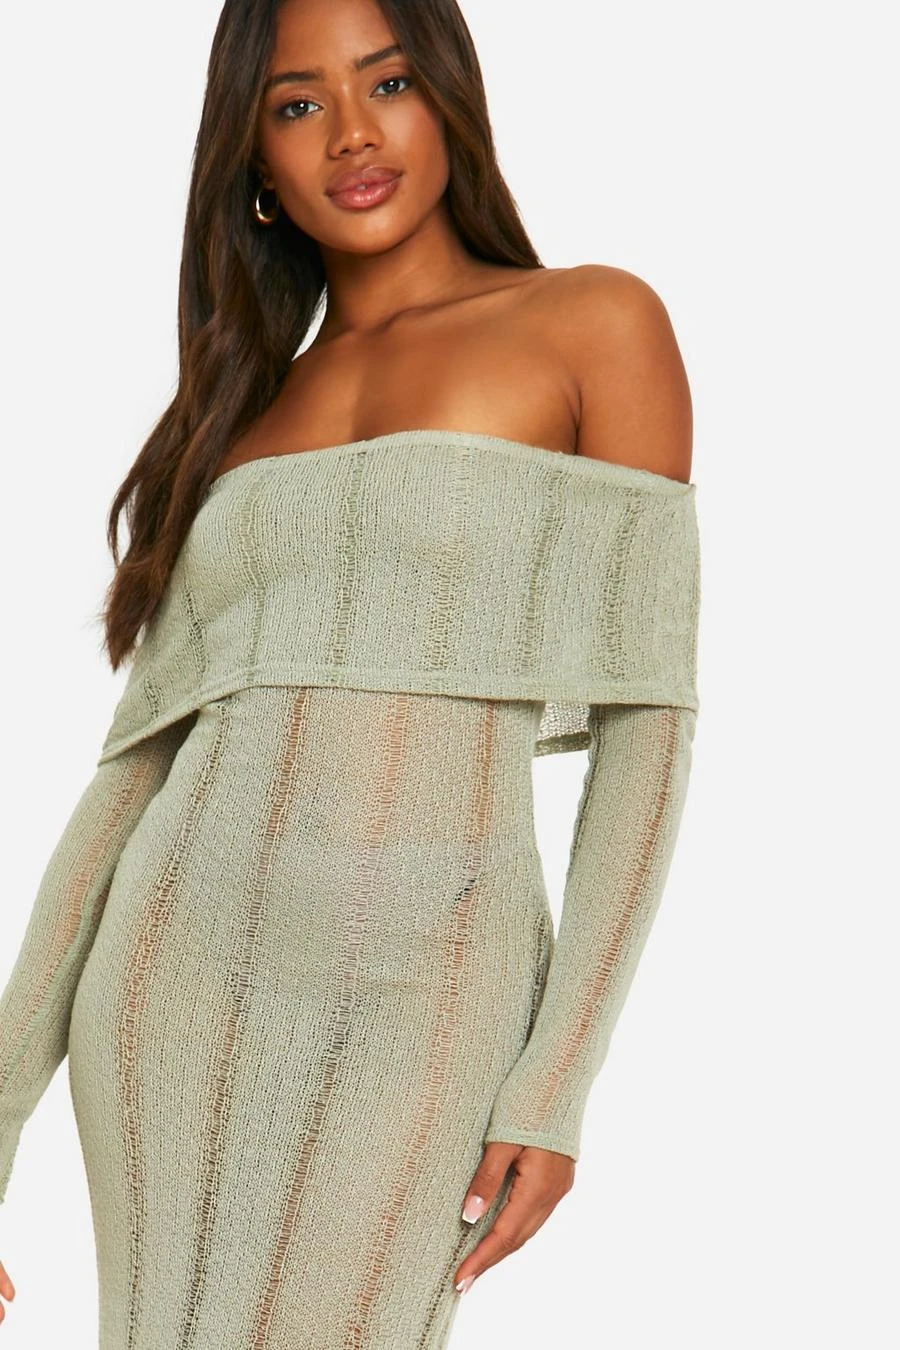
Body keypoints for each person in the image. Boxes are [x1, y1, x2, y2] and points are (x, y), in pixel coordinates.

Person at [0, 0, 700, 1344]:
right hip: (170, 979)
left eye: (386, 84)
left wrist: (555, 1082)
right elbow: (132, 774)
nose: (352, 135)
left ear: (448, 96)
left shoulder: (594, 323)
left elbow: (648, 735)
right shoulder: (237, 410)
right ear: (253, 157)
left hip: (431, 993)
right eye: (298, 104)